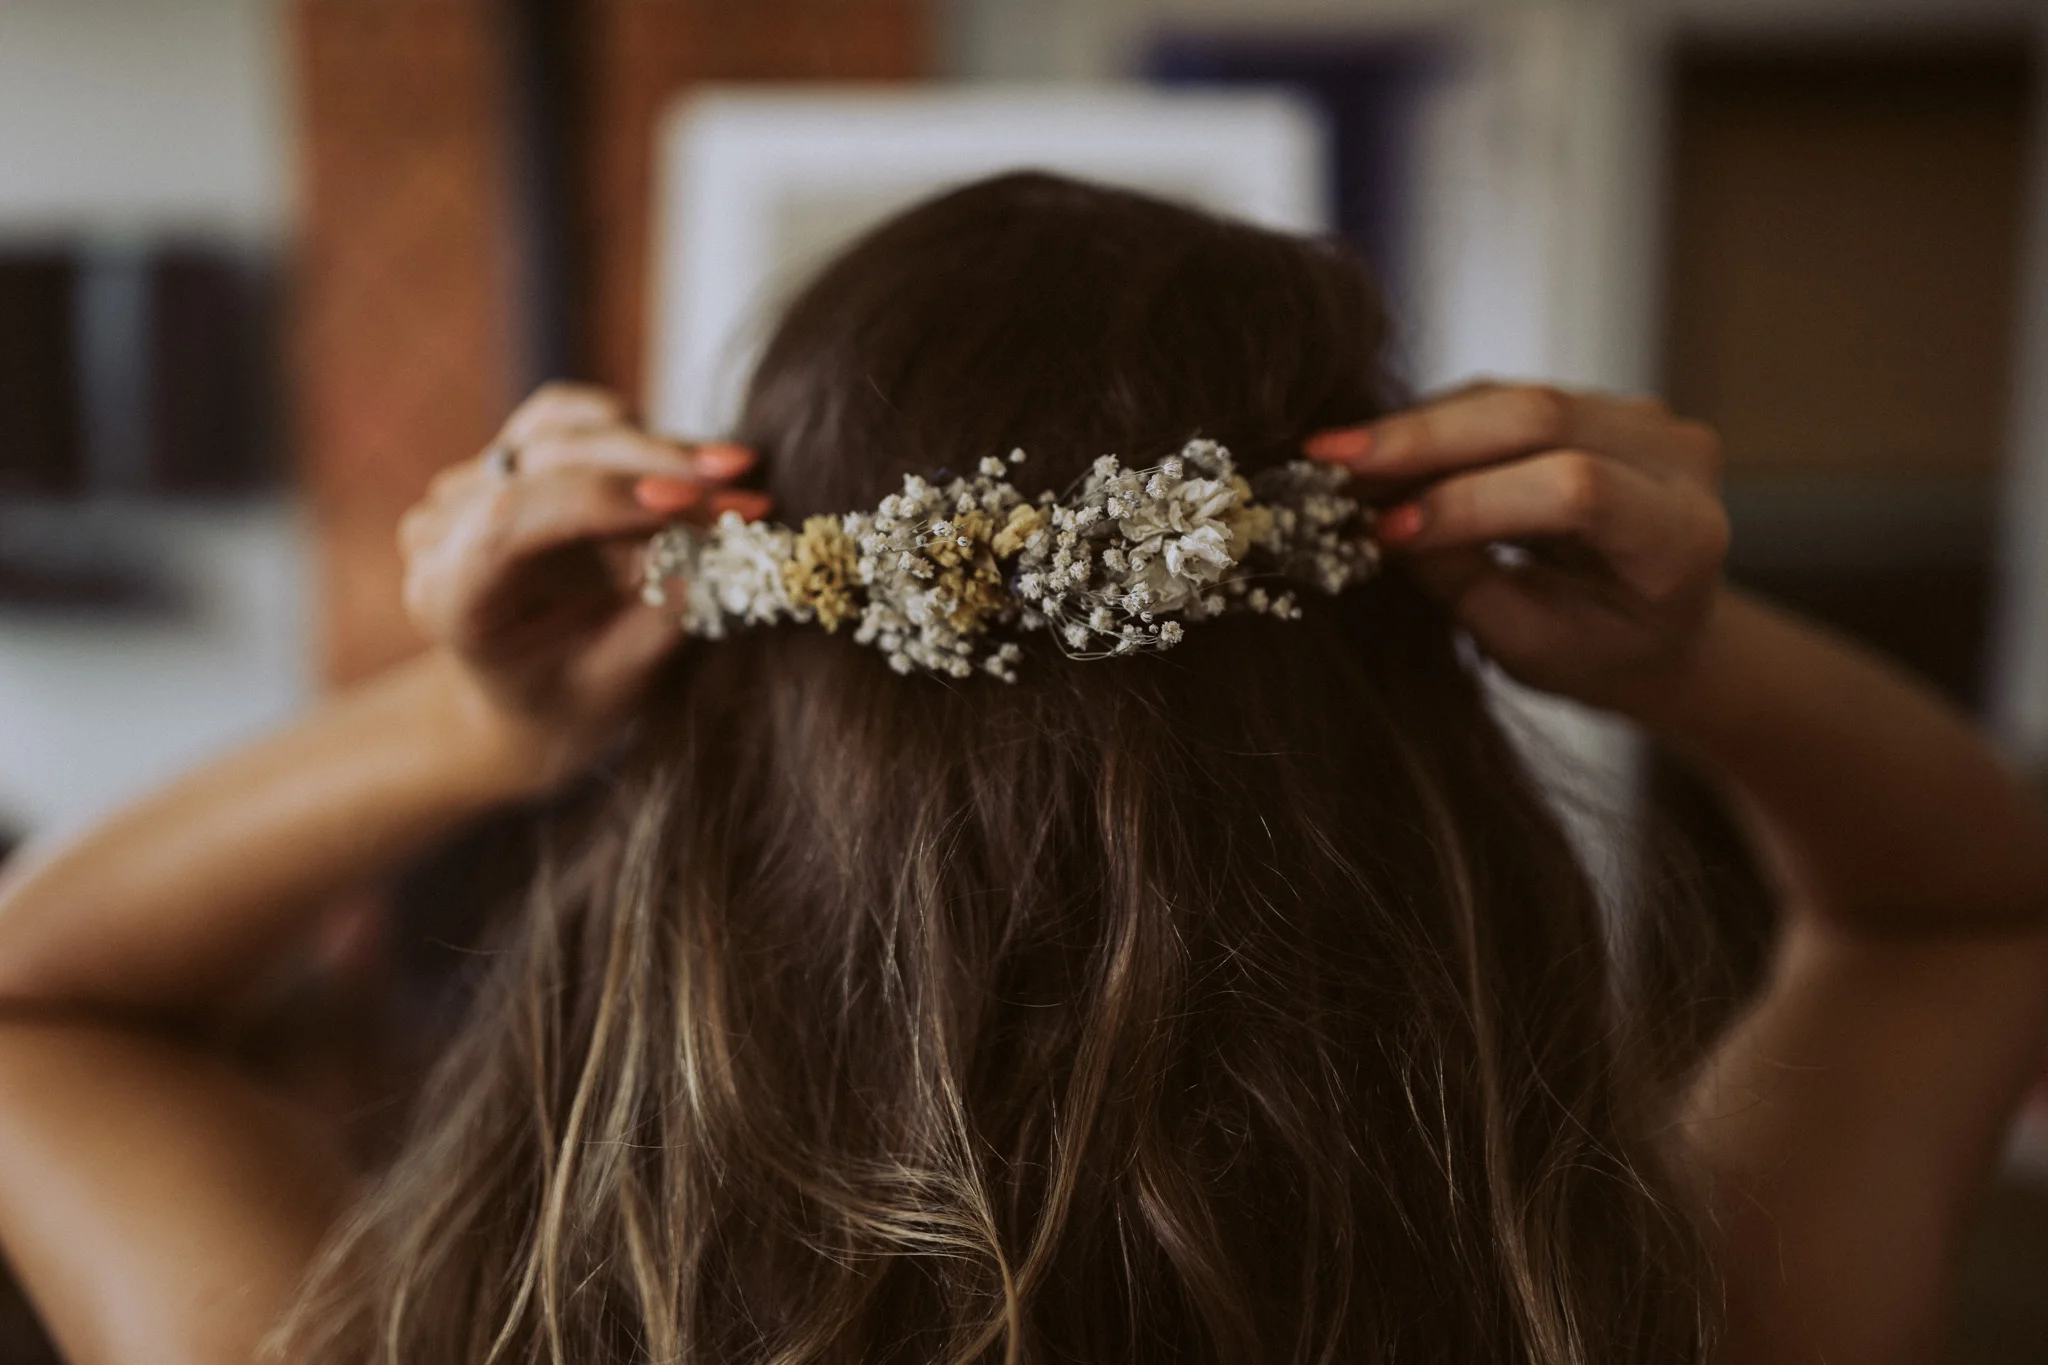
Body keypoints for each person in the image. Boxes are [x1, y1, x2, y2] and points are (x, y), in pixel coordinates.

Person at [0, 172, 2042, 1365]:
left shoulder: (388, 1343)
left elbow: (37, 1002)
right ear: (1406, 739)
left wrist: (480, 717)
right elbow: (1970, 899)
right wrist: (1688, 652)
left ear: (733, 747)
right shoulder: (1675, 1323)